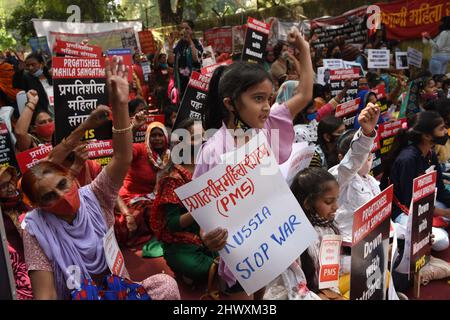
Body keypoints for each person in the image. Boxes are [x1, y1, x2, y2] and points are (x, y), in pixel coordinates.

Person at [20, 56, 180, 300]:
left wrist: (120, 104)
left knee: (165, 285)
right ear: (38, 205)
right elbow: (46, 294)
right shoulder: (35, 228)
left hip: (121, 289)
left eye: (63, 185)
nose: (63, 196)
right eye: (49, 196)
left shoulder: (94, 195)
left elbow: (122, 157)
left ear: (71, 177)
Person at [196, 27, 313, 296]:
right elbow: (204, 212)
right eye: (258, 99)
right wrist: (206, 237)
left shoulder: (268, 125)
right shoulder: (213, 152)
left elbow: (305, 94)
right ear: (230, 103)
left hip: (273, 245)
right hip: (241, 259)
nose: (266, 107)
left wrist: (304, 51)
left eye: (269, 99)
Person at [150, 119, 218, 287]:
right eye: (196, 136)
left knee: (236, 259)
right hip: (182, 242)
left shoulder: (211, 167)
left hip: (211, 233)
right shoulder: (173, 179)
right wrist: (201, 208)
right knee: (204, 268)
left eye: (204, 136)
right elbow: (172, 224)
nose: (202, 140)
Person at [382, 111, 450, 252]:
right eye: (441, 129)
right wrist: (443, 213)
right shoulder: (408, 159)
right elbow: (408, 203)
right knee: (442, 241)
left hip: (426, 203)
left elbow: (441, 191)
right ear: (426, 136)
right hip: (403, 212)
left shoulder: (430, 153)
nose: (445, 131)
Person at [329, 105, 380, 244]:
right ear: (342, 158)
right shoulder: (338, 176)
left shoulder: (372, 181)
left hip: (373, 243)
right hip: (349, 248)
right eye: (364, 157)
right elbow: (353, 161)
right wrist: (366, 134)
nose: (368, 161)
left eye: (370, 157)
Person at [115, 121, 171, 247]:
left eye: (160, 135)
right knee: (147, 213)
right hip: (131, 198)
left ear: (166, 137)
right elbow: (124, 151)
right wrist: (133, 128)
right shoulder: (139, 149)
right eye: (153, 135)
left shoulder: (167, 156)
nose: (157, 139)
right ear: (147, 137)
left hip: (154, 197)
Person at [0, 166, 33, 299]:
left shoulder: (25, 205)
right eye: (3, 186)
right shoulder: (1, 217)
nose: (11, 188)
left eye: (11, 182)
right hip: (17, 275)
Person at [168, 21, 203, 96]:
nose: (184, 31)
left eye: (187, 28)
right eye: (182, 28)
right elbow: (171, 61)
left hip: (194, 82)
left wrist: (190, 41)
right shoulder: (179, 44)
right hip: (181, 84)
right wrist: (170, 45)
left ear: (192, 30)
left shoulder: (196, 42)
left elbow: (196, 59)